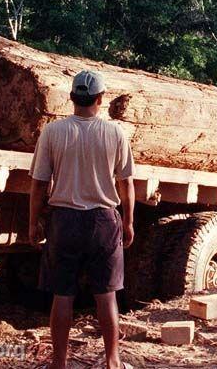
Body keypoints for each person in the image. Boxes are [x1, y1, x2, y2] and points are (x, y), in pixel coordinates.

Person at [29, 70, 136, 369]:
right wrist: (127, 222)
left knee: (62, 295)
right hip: (103, 221)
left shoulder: (53, 132)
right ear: (100, 100)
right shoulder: (115, 133)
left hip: (64, 222)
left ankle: (59, 364)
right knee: (106, 296)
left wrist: (33, 222)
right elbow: (125, 182)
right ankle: (112, 361)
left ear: (72, 98)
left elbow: (39, 184)